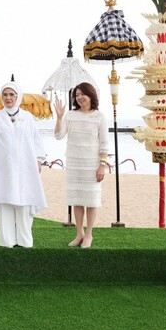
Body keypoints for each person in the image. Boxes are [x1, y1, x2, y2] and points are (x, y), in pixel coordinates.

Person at [0, 81, 47, 248]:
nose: (8, 98)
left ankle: (24, 241)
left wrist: (39, 159)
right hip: (3, 168)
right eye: (5, 95)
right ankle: (7, 241)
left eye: (11, 94)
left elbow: (36, 140)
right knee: (5, 201)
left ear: (17, 96)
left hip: (25, 167)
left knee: (24, 200)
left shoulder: (27, 117)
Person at [54, 82, 108, 249]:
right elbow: (58, 135)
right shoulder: (70, 115)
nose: (79, 97)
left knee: (91, 200)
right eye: (77, 94)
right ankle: (79, 234)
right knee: (77, 199)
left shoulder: (99, 117)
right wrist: (60, 117)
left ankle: (89, 235)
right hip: (74, 163)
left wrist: (102, 165)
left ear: (91, 95)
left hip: (91, 164)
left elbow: (104, 143)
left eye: (82, 94)